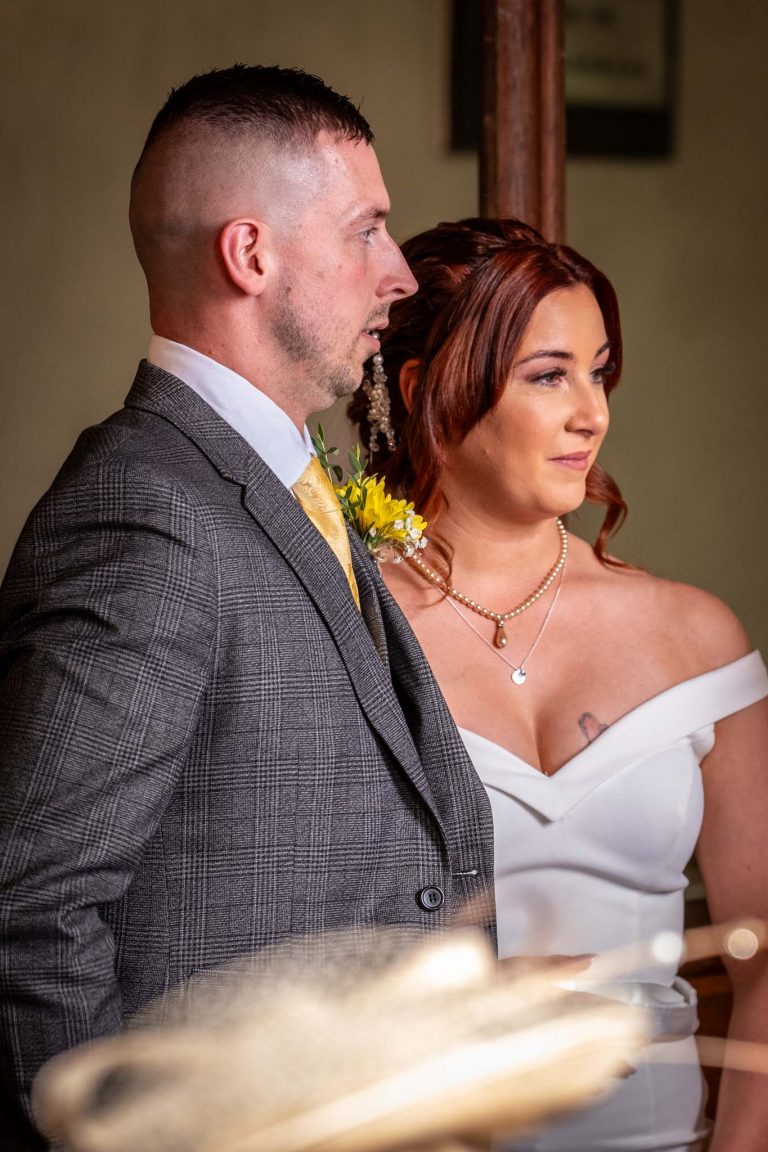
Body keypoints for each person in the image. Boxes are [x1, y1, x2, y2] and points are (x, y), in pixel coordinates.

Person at [0, 69, 496, 1150]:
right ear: (251, 254)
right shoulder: (145, 511)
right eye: (366, 230)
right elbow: (30, 910)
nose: (399, 273)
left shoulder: (278, 484)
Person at [349, 216, 768, 1152]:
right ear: (423, 391)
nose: (593, 414)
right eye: (548, 376)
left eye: (599, 372)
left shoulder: (696, 637)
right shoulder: (336, 634)